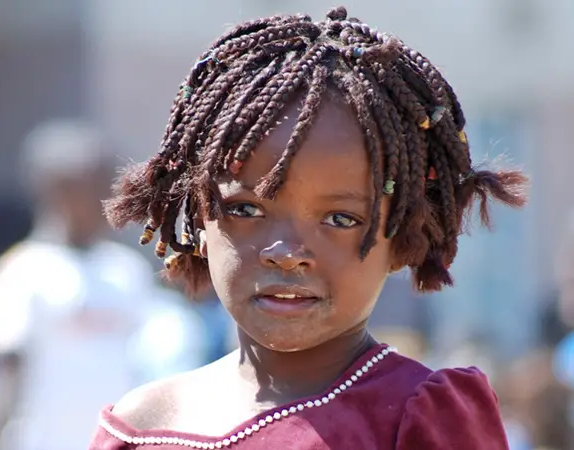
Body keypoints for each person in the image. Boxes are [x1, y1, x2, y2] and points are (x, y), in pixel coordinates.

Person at [90, 7, 527, 449]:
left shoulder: (415, 414)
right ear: (199, 215)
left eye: (340, 219)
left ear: (403, 241)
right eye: (245, 209)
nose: (286, 252)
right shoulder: (141, 424)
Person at [0, 119, 205, 450]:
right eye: (95, 185)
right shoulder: (20, 272)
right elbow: (3, 380)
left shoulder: (124, 270)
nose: (109, 197)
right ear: (57, 189)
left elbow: (151, 365)